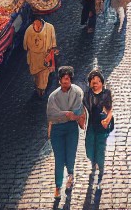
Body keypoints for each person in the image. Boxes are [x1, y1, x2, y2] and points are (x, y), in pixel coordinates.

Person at [47, 66, 86, 197]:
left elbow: (78, 111)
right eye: (63, 80)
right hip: (57, 129)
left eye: (68, 80)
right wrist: (69, 114)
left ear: (71, 80)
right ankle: (58, 186)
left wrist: (72, 117)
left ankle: (70, 175)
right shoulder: (53, 96)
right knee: (59, 158)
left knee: (70, 154)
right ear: (59, 81)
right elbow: (51, 115)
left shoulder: (77, 92)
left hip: (71, 128)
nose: (65, 83)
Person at [82, 69, 113, 185]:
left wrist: (107, 120)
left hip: (102, 125)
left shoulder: (106, 94)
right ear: (90, 83)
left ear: (102, 83)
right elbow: (83, 109)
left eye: (98, 81)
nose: (95, 84)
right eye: (93, 81)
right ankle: (93, 161)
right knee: (89, 148)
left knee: (100, 148)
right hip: (91, 125)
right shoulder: (87, 94)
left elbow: (110, 110)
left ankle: (101, 170)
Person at [23, 17, 58, 97]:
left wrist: (52, 51)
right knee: (36, 75)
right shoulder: (29, 30)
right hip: (34, 57)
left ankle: (42, 89)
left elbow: (53, 41)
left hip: (45, 57)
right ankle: (38, 85)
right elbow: (25, 45)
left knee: (44, 75)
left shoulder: (49, 27)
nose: (37, 27)